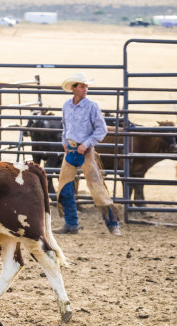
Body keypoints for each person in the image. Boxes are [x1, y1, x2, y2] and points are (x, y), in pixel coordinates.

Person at [55, 72, 121, 236]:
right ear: (73, 88)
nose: (86, 89)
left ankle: (113, 224)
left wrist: (86, 144)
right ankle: (71, 224)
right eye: (82, 86)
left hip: (86, 152)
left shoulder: (92, 106)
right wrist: (64, 141)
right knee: (65, 188)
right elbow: (65, 126)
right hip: (70, 149)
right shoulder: (66, 106)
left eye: (86, 86)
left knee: (97, 188)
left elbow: (102, 129)